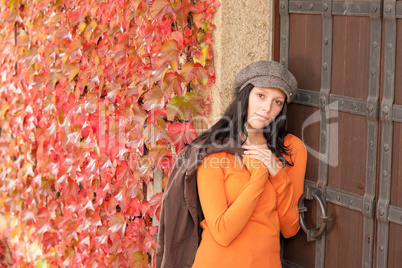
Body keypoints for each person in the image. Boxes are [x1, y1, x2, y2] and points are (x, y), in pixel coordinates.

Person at [155, 61, 307, 268]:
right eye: (261, 96)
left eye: (277, 102)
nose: (267, 108)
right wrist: (261, 174)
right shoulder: (215, 149)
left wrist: (277, 172)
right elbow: (222, 232)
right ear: (245, 96)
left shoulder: (291, 148)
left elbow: (290, 228)